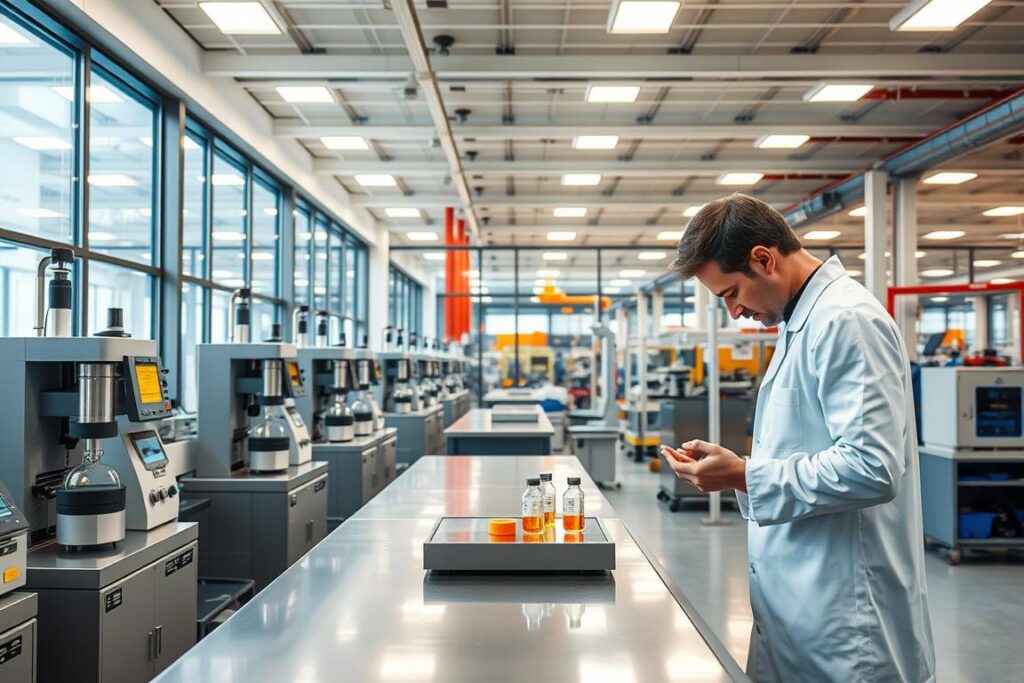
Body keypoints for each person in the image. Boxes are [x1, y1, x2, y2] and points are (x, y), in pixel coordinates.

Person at [660, 193, 935, 682]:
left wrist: (745, 475)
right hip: (801, 613)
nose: (734, 310)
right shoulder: (799, 321)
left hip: (847, 624)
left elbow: (872, 468)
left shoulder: (845, 320)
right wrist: (741, 466)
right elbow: (808, 448)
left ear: (763, 259)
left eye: (730, 293)